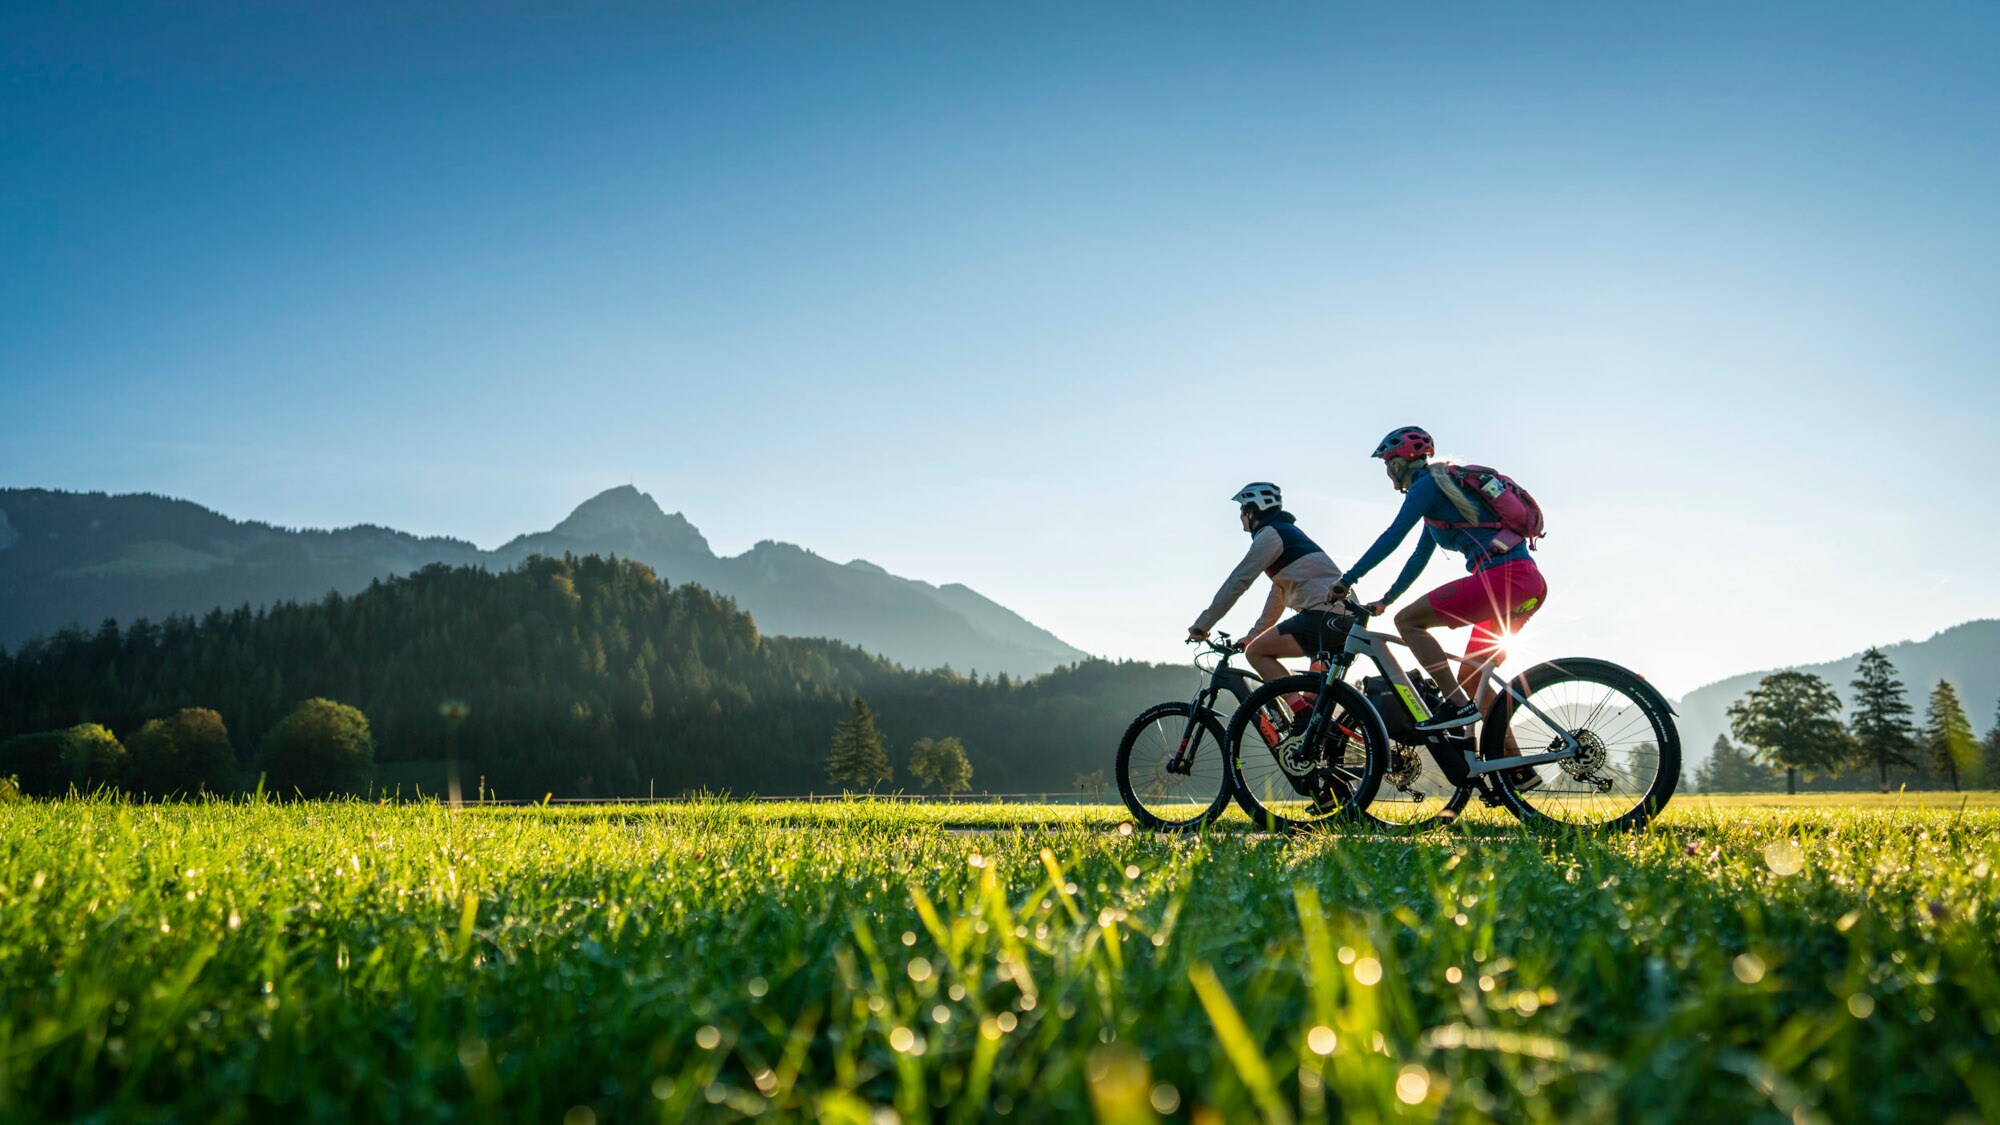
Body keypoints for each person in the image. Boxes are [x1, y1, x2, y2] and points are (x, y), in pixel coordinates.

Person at [1331, 427, 1547, 743]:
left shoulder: (1427, 486)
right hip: (1527, 582)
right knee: (1473, 679)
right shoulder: (1442, 490)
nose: (1387, 472)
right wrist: (1388, 598)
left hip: (1504, 580)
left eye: (1387, 463)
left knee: (1408, 622)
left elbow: (1393, 536)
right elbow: (1419, 556)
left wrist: (1348, 579)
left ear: (1399, 462)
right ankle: (1516, 775)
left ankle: (1457, 707)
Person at [1187, 483, 1349, 708]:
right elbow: (1277, 596)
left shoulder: (1270, 535)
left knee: (1256, 653)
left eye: (1242, 511)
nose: (1241, 517)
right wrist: (1254, 633)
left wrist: (1203, 624)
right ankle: (1316, 727)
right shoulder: (1289, 536)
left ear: (1252, 512)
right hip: (1343, 620)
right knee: (1315, 711)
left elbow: (1238, 582)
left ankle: (1299, 713)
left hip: (1322, 617)